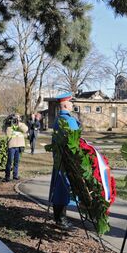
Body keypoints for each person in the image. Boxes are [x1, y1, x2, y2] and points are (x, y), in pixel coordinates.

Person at [49, 93, 79, 230]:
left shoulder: (57, 119)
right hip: (67, 161)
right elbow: (75, 142)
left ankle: (58, 217)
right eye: (71, 103)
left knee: (58, 186)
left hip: (58, 159)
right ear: (66, 105)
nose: (72, 105)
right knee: (64, 188)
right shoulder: (69, 120)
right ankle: (61, 219)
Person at [3, 114, 29, 181]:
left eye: (18, 117)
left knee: (16, 162)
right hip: (12, 145)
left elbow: (26, 130)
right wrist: (11, 125)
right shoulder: (9, 125)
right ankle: (7, 176)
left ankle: (15, 175)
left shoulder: (21, 124)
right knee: (9, 161)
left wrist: (19, 123)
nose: (16, 119)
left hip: (19, 146)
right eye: (15, 117)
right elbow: (8, 134)